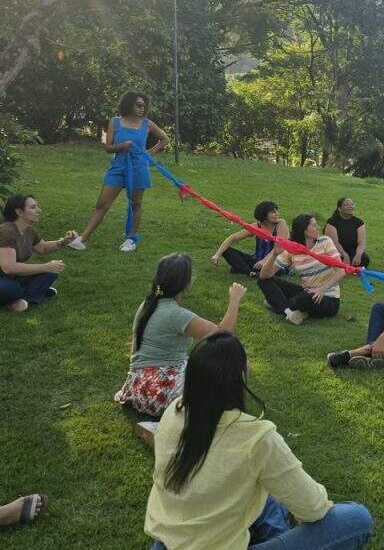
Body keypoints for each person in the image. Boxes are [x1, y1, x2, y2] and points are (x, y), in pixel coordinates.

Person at [145, 331, 373, 550]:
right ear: (238, 379)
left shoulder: (174, 413)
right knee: (356, 520)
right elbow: (315, 509)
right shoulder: (256, 438)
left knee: (261, 492)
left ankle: (281, 543)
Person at [115, 253, 247, 417]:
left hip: (138, 386)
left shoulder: (147, 304)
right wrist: (235, 299)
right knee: (230, 365)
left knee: (208, 366)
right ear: (186, 283)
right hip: (158, 392)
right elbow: (223, 335)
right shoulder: (177, 315)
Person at [68, 91, 168, 253]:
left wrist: (148, 153)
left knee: (135, 204)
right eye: (138, 105)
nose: (142, 109)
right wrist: (122, 146)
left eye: (144, 106)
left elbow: (164, 139)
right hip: (118, 168)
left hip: (138, 169)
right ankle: (82, 239)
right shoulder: (115, 122)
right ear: (129, 105)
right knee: (102, 204)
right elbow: (108, 147)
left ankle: (131, 239)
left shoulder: (147, 124)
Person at [258, 214, 345, 324]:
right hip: (306, 292)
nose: (318, 228)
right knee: (263, 281)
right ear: (305, 231)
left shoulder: (325, 242)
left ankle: (278, 305)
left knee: (307, 297)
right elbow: (264, 276)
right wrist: (274, 255)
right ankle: (289, 311)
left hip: (328, 298)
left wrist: (321, 290)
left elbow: (341, 271)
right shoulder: (293, 249)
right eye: (314, 225)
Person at [0, 194, 76, 312]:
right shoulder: (7, 232)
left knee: (52, 271)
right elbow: (8, 267)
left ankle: (22, 299)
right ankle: (32, 293)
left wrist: (63, 242)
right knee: (10, 289)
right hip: (4, 277)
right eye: (33, 207)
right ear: (19, 212)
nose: (38, 210)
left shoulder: (29, 230)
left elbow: (43, 248)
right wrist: (45, 266)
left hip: (13, 277)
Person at [211, 201, 289, 276]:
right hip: (257, 260)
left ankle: (244, 269)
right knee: (226, 250)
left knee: (272, 269)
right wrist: (217, 255)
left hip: (275, 262)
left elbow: (278, 247)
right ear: (264, 214)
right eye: (272, 212)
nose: (277, 214)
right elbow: (233, 238)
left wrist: (264, 261)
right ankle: (250, 272)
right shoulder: (257, 226)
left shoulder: (281, 224)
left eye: (276, 211)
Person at [325, 197, 369, 267]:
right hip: (337, 252)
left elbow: (361, 242)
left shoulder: (359, 222)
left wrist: (358, 255)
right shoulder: (332, 222)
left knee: (364, 258)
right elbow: (334, 242)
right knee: (335, 260)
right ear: (339, 209)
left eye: (352, 204)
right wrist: (345, 256)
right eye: (347, 204)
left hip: (352, 252)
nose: (350, 206)